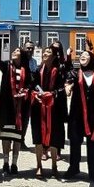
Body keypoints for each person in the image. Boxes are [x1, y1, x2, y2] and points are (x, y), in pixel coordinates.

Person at [66, 49, 94, 183]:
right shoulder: (74, 73)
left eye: (86, 55)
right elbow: (68, 83)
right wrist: (68, 87)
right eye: (81, 55)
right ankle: (74, 168)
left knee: (93, 144)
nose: (82, 56)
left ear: (92, 58)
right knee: (75, 142)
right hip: (76, 115)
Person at [0, 43, 32, 175]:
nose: (13, 52)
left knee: (17, 137)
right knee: (6, 136)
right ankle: (5, 162)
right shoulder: (6, 66)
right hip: (7, 107)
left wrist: (25, 91)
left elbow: (31, 85)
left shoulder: (27, 69)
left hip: (21, 108)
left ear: (22, 55)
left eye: (16, 50)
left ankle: (14, 163)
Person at [31, 44, 68, 178]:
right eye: (44, 52)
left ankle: (54, 166)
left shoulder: (58, 71)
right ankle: (39, 166)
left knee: (54, 139)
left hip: (54, 108)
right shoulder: (37, 70)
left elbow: (61, 89)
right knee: (38, 138)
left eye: (48, 52)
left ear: (53, 56)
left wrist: (52, 94)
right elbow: (33, 86)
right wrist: (36, 95)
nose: (45, 54)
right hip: (39, 108)